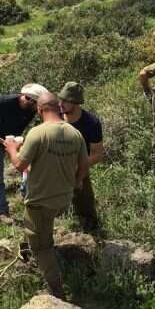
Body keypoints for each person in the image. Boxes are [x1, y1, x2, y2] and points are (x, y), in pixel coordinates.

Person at [5, 93, 88, 300]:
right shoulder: (74, 133)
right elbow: (84, 166)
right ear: (59, 107)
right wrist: (76, 182)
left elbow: (19, 164)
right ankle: (26, 252)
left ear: (40, 110)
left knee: (42, 247)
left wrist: (12, 148)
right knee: (39, 226)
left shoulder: (37, 133)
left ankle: (58, 292)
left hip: (41, 202)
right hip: (63, 198)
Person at [0, 83, 49, 222]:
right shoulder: (7, 102)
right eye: (36, 106)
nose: (37, 109)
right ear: (28, 100)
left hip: (15, 140)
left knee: (27, 169)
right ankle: (2, 209)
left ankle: (25, 194)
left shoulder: (33, 107)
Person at [58, 82, 104, 233]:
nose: (61, 104)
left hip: (79, 168)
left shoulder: (91, 122)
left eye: (66, 100)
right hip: (55, 167)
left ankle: (91, 232)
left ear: (76, 102)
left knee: (86, 206)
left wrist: (79, 166)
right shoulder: (55, 117)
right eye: (60, 99)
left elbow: (97, 153)